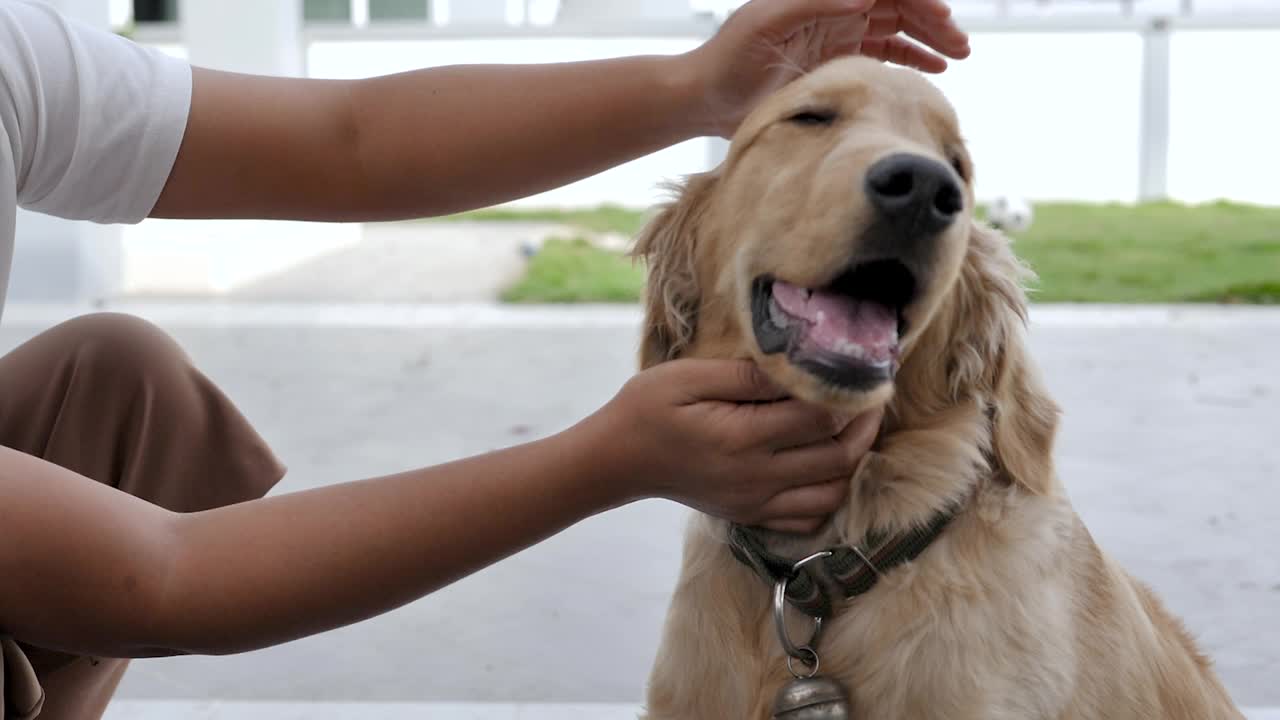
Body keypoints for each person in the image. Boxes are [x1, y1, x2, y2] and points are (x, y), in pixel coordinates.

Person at [0, 0, 969, 718]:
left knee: (116, 376)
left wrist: (697, 85)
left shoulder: (13, 55)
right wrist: (605, 460)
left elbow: (349, 144)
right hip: (143, 573)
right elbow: (162, 578)